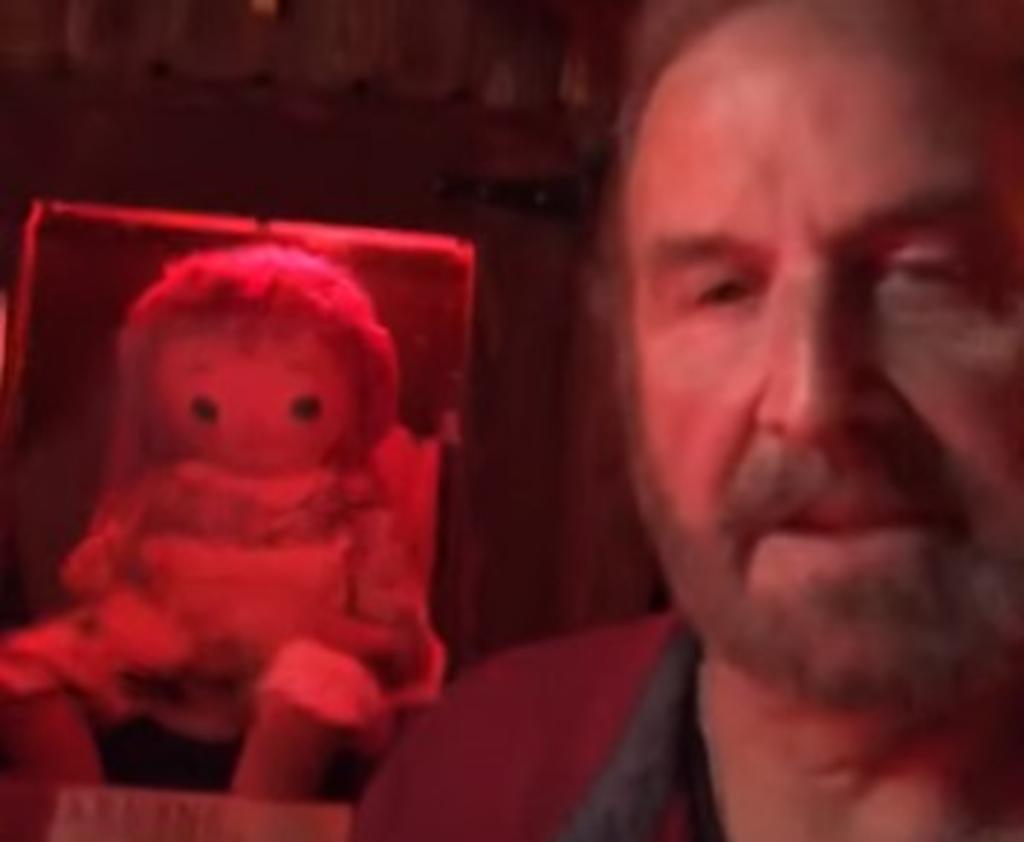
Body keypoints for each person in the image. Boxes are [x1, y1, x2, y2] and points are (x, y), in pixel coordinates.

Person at [353, 0, 1024, 840]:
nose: (810, 404)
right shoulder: (475, 779)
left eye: (922, 279)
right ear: (627, 367)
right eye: (723, 293)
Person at [0, 245, 443, 798]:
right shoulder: (163, 495)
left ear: (358, 398)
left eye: (300, 405)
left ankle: (258, 812)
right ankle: (78, 804)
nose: (252, 430)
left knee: (316, 683)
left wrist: (307, 630)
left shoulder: (353, 512)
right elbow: (100, 579)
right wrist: (127, 615)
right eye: (206, 407)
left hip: (295, 667)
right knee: (21, 673)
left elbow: (399, 640)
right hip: (157, 674)